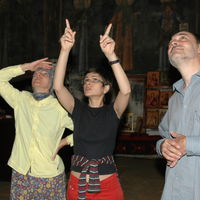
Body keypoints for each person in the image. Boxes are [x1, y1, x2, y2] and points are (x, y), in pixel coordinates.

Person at [53, 19, 131, 200]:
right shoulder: (77, 109)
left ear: (106, 88)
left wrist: (111, 55)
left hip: (107, 187)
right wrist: (64, 50)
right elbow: (58, 87)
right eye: (86, 80)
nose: (88, 82)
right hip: (76, 184)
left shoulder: (113, 112)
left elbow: (126, 91)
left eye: (94, 79)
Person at [0, 58, 74, 199]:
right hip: (21, 172)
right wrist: (26, 67)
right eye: (35, 74)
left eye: (44, 74)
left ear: (53, 80)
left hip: (49, 175)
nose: (37, 76)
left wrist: (65, 141)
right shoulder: (21, 99)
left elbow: (87, 130)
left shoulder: (60, 108)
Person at [156, 31, 200, 200]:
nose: (174, 42)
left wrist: (188, 144)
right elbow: (164, 136)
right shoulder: (174, 99)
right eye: (171, 41)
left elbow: (184, 143)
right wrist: (162, 147)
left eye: (183, 38)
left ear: (198, 49)